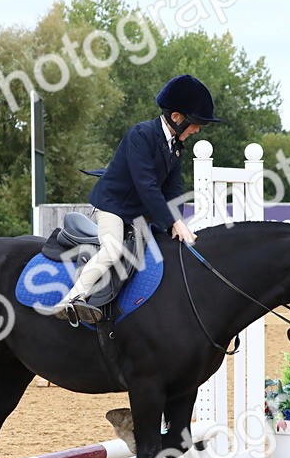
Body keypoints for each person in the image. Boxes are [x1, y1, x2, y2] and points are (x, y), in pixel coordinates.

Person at [54, 74, 220, 324]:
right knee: (112, 250)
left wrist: (179, 223)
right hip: (113, 206)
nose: (197, 129)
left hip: (138, 213)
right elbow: (147, 186)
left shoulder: (175, 147)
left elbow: (173, 192)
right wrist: (172, 223)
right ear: (176, 117)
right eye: (195, 123)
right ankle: (71, 300)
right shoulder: (141, 135)